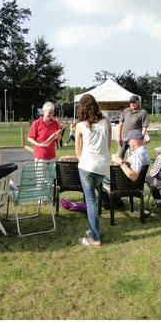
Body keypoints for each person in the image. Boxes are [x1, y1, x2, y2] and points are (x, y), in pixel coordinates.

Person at [75, 94, 112, 247]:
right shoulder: (106, 122)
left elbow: (78, 152)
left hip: (86, 166)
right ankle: (92, 229)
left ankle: (95, 238)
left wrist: (83, 161)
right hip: (102, 167)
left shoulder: (80, 125)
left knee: (90, 201)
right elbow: (108, 146)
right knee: (93, 201)